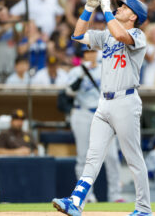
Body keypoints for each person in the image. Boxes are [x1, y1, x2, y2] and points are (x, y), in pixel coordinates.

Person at [52, 0, 152, 215]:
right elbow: (77, 35)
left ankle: (144, 208)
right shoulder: (107, 35)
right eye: (119, 5)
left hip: (126, 100)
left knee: (133, 157)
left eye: (124, 7)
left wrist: (106, 8)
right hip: (104, 102)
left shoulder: (137, 34)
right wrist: (89, 8)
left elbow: (120, 34)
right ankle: (77, 201)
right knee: (92, 156)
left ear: (133, 16)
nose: (119, 8)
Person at [67, 46, 123, 203]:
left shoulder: (106, 68)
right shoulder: (75, 71)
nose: (90, 54)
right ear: (83, 54)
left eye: (92, 51)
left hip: (103, 113)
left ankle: (115, 195)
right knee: (83, 156)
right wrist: (82, 74)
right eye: (87, 51)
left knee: (111, 156)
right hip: (82, 112)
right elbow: (70, 92)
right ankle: (87, 195)